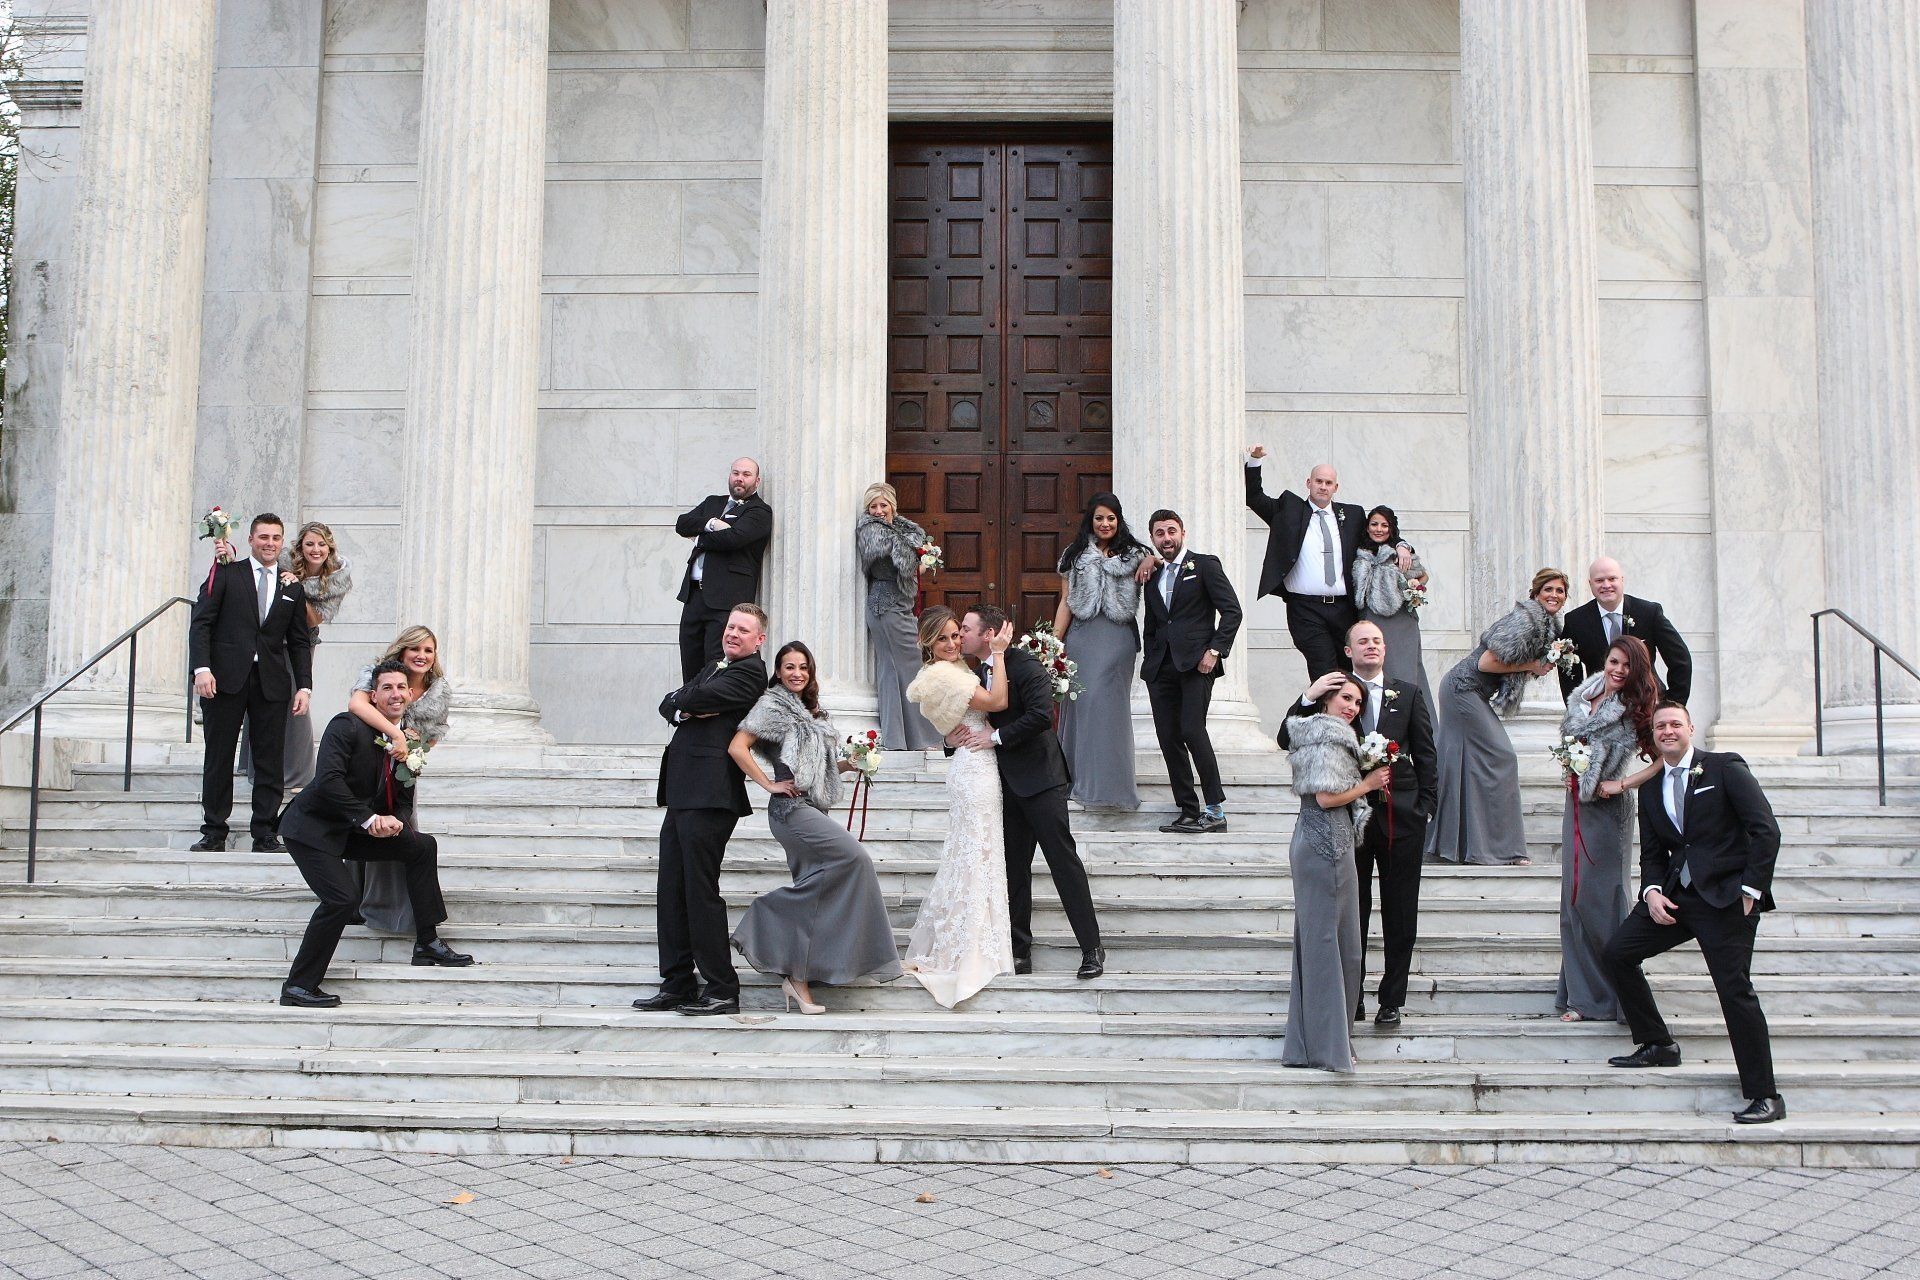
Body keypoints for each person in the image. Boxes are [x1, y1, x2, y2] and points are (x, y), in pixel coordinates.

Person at [1603, 702, 1785, 1125]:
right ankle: (1658, 1043)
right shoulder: (1650, 788)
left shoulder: (1724, 768)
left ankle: (1765, 1095)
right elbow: (1652, 851)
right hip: (1676, 898)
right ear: (1653, 734)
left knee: (1734, 991)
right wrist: (1650, 891)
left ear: (1690, 728)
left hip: (1726, 900)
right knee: (1617, 953)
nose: (1667, 731)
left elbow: (1765, 829)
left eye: (1674, 724)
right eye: (1660, 726)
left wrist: (1751, 889)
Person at [277, 661, 472, 1008]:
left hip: (351, 828)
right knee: (341, 899)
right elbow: (329, 781)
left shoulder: (410, 744)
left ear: (411, 695)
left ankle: (427, 943)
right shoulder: (346, 726)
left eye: (401, 688)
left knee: (421, 846)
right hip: (313, 830)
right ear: (373, 695)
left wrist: (395, 821)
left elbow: (404, 796)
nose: (395, 694)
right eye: (387, 688)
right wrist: (369, 819)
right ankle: (298, 986)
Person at [730, 641, 905, 1012]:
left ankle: (798, 980)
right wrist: (768, 783)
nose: (796, 674)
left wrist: (852, 763)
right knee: (856, 860)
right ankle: (765, 914)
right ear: (778, 672)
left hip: (815, 806)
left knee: (818, 888)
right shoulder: (772, 706)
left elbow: (821, 766)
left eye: (803, 668)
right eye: (789, 667)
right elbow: (737, 747)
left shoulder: (814, 713)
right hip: (791, 810)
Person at [1279, 621, 1438, 1027]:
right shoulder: (1336, 697)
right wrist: (1308, 695)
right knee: (1355, 911)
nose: (1372, 646)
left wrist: (1425, 806)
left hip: (1403, 818)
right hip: (1350, 818)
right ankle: (1354, 995)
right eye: (1363, 641)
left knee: (1401, 911)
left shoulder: (1410, 693)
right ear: (1348, 651)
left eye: (1378, 641)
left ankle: (1392, 998)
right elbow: (1287, 737)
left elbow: (1426, 753)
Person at [954, 604, 1106, 979]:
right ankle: (1020, 951)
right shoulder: (974, 674)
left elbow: (1041, 716)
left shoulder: (1026, 666)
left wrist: (996, 737)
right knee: (1013, 872)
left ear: (987, 635)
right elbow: (972, 719)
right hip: (1002, 786)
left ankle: (1091, 948)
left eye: (966, 629)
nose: (960, 635)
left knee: (1063, 863)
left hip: (1041, 781)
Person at [633, 604, 770, 1016]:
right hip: (681, 789)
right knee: (671, 889)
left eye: (743, 630)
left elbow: (692, 697)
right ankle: (676, 982)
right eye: (731, 626)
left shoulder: (751, 673)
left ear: (758, 640)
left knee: (699, 890)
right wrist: (683, 702)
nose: (733, 634)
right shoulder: (715, 665)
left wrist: (684, 701)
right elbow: (669, 702)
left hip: (712, 794)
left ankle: (722, 988)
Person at [903, 608, 1017, 1007]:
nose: (953, 644)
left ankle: (975, 941)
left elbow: (952, 724)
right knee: (975, 854)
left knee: (977, 853)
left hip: (974, 762)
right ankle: (967, 950)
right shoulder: (946, 674)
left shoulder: (946, 673)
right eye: (944, 639)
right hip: (974, 769)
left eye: (956, 636)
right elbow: (998, 701)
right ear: (929, 644)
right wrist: (1000, 653)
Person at [1279, 674, 1389, 1072]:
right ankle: (1326, 1045)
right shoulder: (1324, 737)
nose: (1352, 707)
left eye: (1358, 702)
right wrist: (1369, 784)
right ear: (1325, 700)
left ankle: (1330, 1040)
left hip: (1336, 842)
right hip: (1321, 844)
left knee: (1343, 945)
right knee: (1327, 944)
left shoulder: (1337, 738)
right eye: (1345, 698)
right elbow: (1325, 798)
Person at [189, 513, 315, 854]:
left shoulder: (292, 587)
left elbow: (300, 640)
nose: (269, 543)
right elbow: (201, 623)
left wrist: (304, 687)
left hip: (272, 683)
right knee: (219, 756)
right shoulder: (228, 573)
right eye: (263, 537)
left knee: (270, 759)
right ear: (251, 540)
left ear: (282, 542)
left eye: (276, 538)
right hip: (224, 680)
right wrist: (202, 669)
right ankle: (214, 831)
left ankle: (264, 832)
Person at [1426, 569, 1570, 867]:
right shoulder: (1525, 620)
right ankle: (1506, 849)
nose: (1554, 595)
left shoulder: (1546, 625)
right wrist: (1533, 664)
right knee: (1503, 756)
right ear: (1536, 594)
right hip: (1462, 690)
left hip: (1469, 692)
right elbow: (1486, 662)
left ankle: (1464, 847)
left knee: (1461, 765)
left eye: (1560, 591)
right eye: (1548, 589)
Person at [1557, 636, 1662, 1024]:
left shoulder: (1637, 708)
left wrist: (1623, 784)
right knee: (1573, 897)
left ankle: (1614, 995)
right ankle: (1581, 996)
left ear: (1636, 671)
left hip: (1608, 810)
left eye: (1626, 666)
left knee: (1599, 899)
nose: (1617, 670)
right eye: (1614, 661)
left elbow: (1662, 761)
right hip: (1577, 805)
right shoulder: (1584, 695)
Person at [1139, 509, 1243, 834]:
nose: (1166, 538)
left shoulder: (1205, 565)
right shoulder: (1152, 575)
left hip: (1197, 664)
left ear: (1182, 532)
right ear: (1153, 538)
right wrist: (1150, 657)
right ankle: (1187, 809)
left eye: (1171, 531)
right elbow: (1153, 624)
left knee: (1191, 730)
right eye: (1159, 533)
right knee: (1168, 738)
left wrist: (1214, 650)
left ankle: (1215, 810)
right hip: (1160, 668)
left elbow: (1232, 611)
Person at [344, 626, 454, 935]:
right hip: (366, 761)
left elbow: (437, 731)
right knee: (363, 823)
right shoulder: (377, 673)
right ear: (402, 651)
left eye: (428, 650)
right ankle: (354, 901)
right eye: (415, 649)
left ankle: (397, 908)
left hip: (404, 771)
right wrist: (395, 734)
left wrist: (416, 750)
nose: (421, 656)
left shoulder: (438, 691)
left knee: (402, 832)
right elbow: (357, 706)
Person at [233, 522, 353, 793]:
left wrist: (296, 587)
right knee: (261, 694)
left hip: (300, 643)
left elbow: (313, 619)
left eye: (321, 544)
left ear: (329, 548)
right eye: (310, 543)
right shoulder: (282, 562)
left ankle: (298, 774)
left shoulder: (336, 579)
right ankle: (251, 765)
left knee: (295, 700)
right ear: (300, 546)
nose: (316, 549)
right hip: (271, 640)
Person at [1052, 492, 1152, 811]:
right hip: (1081, 638)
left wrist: (1153, 558)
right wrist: (1054, 643)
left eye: (1111, 518)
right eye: (1099, 518)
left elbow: (1166, 572)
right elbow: (1066, 602)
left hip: (1118, 640)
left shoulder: (1136, 555)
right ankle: (1078, 781)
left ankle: (1111, 787)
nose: (1105, 523)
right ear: (1090, 521)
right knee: (1081, 706)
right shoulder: (1074, 555)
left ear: (1118, 520)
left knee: (1107, 707)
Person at [1243, 447, 1366, 678]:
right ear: (1308, 483)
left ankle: (1338, 714)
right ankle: (1326, 713)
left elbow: (1380, 533)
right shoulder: (1288, 510)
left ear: (1335, 488)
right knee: (1324, 670)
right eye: (1318, 481)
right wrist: (1255, 460)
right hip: (1305, 609)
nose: (1323, 486)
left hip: (1344, 608)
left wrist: (1402, 546)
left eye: (1328, 483)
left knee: (1348, 671)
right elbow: (1254, 496)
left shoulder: (1353, 515)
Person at [855, 482, 942, 750]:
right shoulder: (871, 532)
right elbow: (896, 562)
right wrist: (919, 558)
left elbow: (912, 560)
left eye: (884, 505)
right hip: (886, 605)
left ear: (893, 505)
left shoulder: (905, 530)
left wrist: (923, 557)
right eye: (873, 506)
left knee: (895, 669)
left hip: (899, 604)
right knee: (908, 666)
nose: (879, 511)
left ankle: (899, 739)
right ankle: (924, 738)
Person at [674, 457, 772, 681]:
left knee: (715, 668)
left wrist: (698, 539)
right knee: (690, 664)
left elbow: (733, 539)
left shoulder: (759, 512)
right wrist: (711, 524)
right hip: (693, 597)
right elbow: (682, 523)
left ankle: (711, 714)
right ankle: (689, 712)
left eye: (746, 475)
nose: (740, 478)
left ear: (757, 481)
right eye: (735, 473)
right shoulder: (712, 503)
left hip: (726, 601)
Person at [1558, 557, 1694, 705]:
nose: (1606, 585)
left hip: (1647, 704)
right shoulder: (1576, 621)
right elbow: (1568, 673)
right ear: (1590, 584)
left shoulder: (1649, 612)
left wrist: (1673, 704)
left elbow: (1680, 659)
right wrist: (1578, 710)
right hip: (1601, 710)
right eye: (1599, 580)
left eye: (1612, 579)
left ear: (1622, 580)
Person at [1351, 505, 1434, 714]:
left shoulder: (1399, 553)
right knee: (1376, 675)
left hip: (1400, 623)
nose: (1379, 529)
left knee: (1406, 675)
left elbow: (1423, 575)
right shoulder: (1358, 552)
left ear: (1391, 528)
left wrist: (1414, 587)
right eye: (1374, 524)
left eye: (1384, 525)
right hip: (1370, 621)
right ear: (1367, 527)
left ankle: (1415, 729)